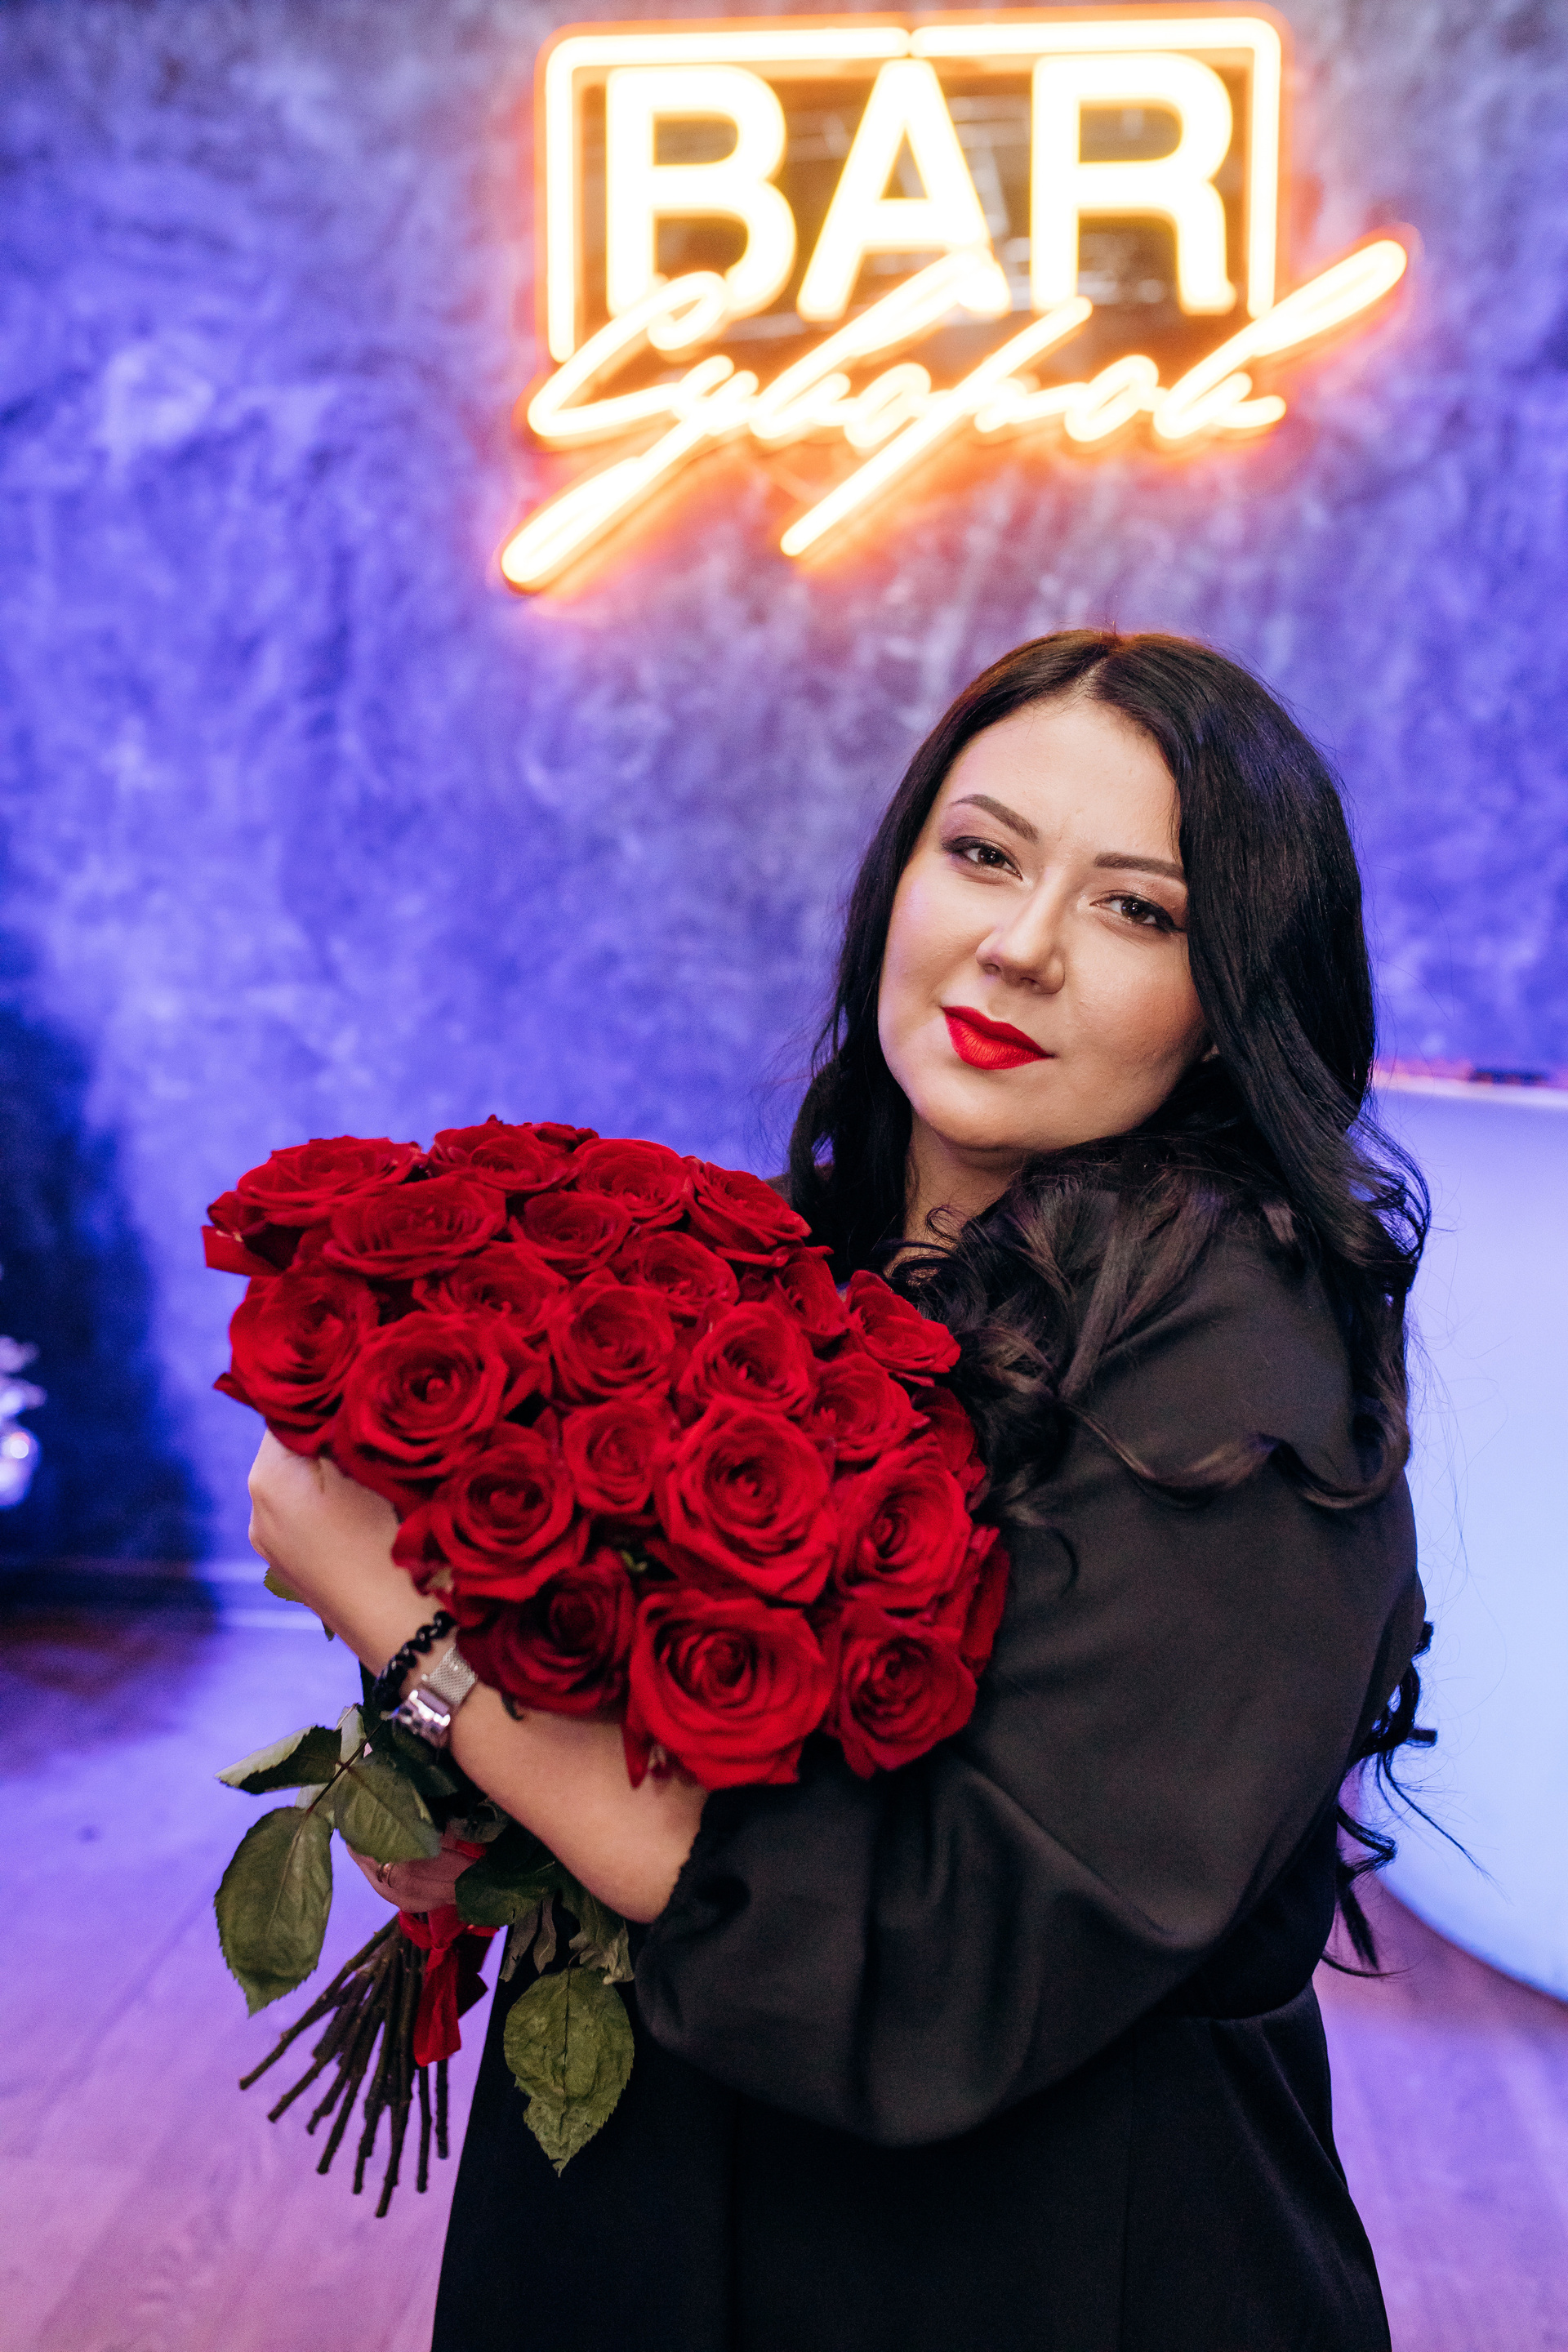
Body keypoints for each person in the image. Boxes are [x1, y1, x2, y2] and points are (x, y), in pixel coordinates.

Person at [248, 630, 1432, 2352]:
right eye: (985, 854)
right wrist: (468, 1797)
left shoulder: (1238, 1386)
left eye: (1136, 910)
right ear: (899, 878)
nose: (1019, 946)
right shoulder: (824, 1261)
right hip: (659, 2206)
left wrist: (418, 1638)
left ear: (1228, 1002)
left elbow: (938, 1970)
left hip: (1031, 2273)